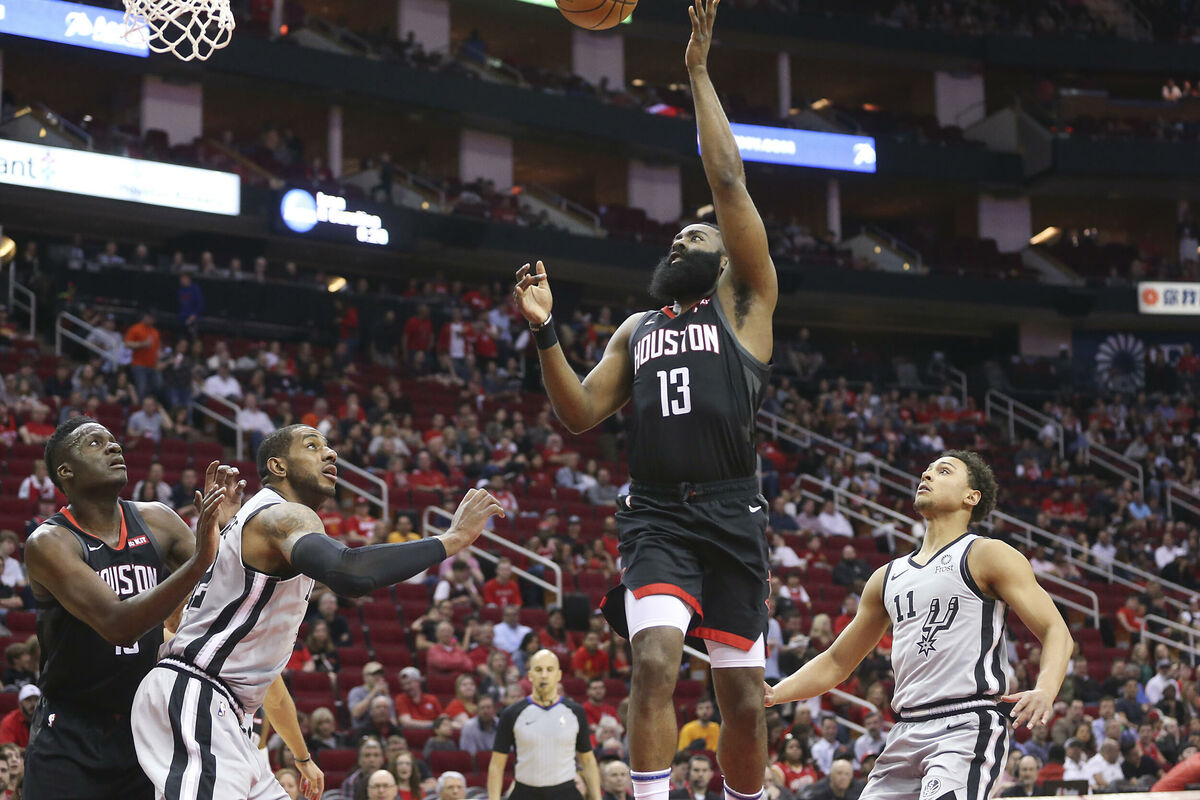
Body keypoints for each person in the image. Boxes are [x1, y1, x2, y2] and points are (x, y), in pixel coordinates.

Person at [514, 13, 778, 800]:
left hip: (733, 511)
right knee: (655, 662)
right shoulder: (637, 328)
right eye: (676, 238)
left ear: (725, 258)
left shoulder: (745, 304)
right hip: (658, 515)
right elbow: (579, 414)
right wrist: (546, 333)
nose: (678, 243)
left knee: (744, 702)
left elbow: (728, 184)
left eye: (694, 238)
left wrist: (696, 72)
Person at [132, 424, 505, 800]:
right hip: (198, 694)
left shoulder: (245, 529)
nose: (330, 453)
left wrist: (302, 756)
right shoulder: (282, 516)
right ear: (278, 466)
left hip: (227, 710)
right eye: (312, 446)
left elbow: (266, 682)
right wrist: (452, 538)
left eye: (327, 446)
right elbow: (350, 573)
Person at [766, 451, 1073, 800]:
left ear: (971, 497)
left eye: (943, 471)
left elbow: (1056, 631)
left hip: (965, 723)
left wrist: (1046, 689)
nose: (927, 476)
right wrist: (775, 693)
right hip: (904, 731)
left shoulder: (987, 554)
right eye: (926, 471)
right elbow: (837, 661)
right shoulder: (886, 576)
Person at [22, 418, 236, 800]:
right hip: (71, 731)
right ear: (65, 471)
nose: (113, 446)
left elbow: (226, 587)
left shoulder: (158, 519)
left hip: (145, 726)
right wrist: (201, 560)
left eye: (113, 440)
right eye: (94, 443)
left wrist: (228, 531)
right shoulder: (50, 542)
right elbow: (118, 624)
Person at [489, 649, 602, 800]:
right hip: (524, 793)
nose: (544, 675)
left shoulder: (575, 712)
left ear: (559, 675)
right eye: (538, 669)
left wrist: (597, 798)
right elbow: (496, 765)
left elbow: (587, 760)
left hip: (566, 793)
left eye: (549, 669)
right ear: (530, 675)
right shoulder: (511, 714)